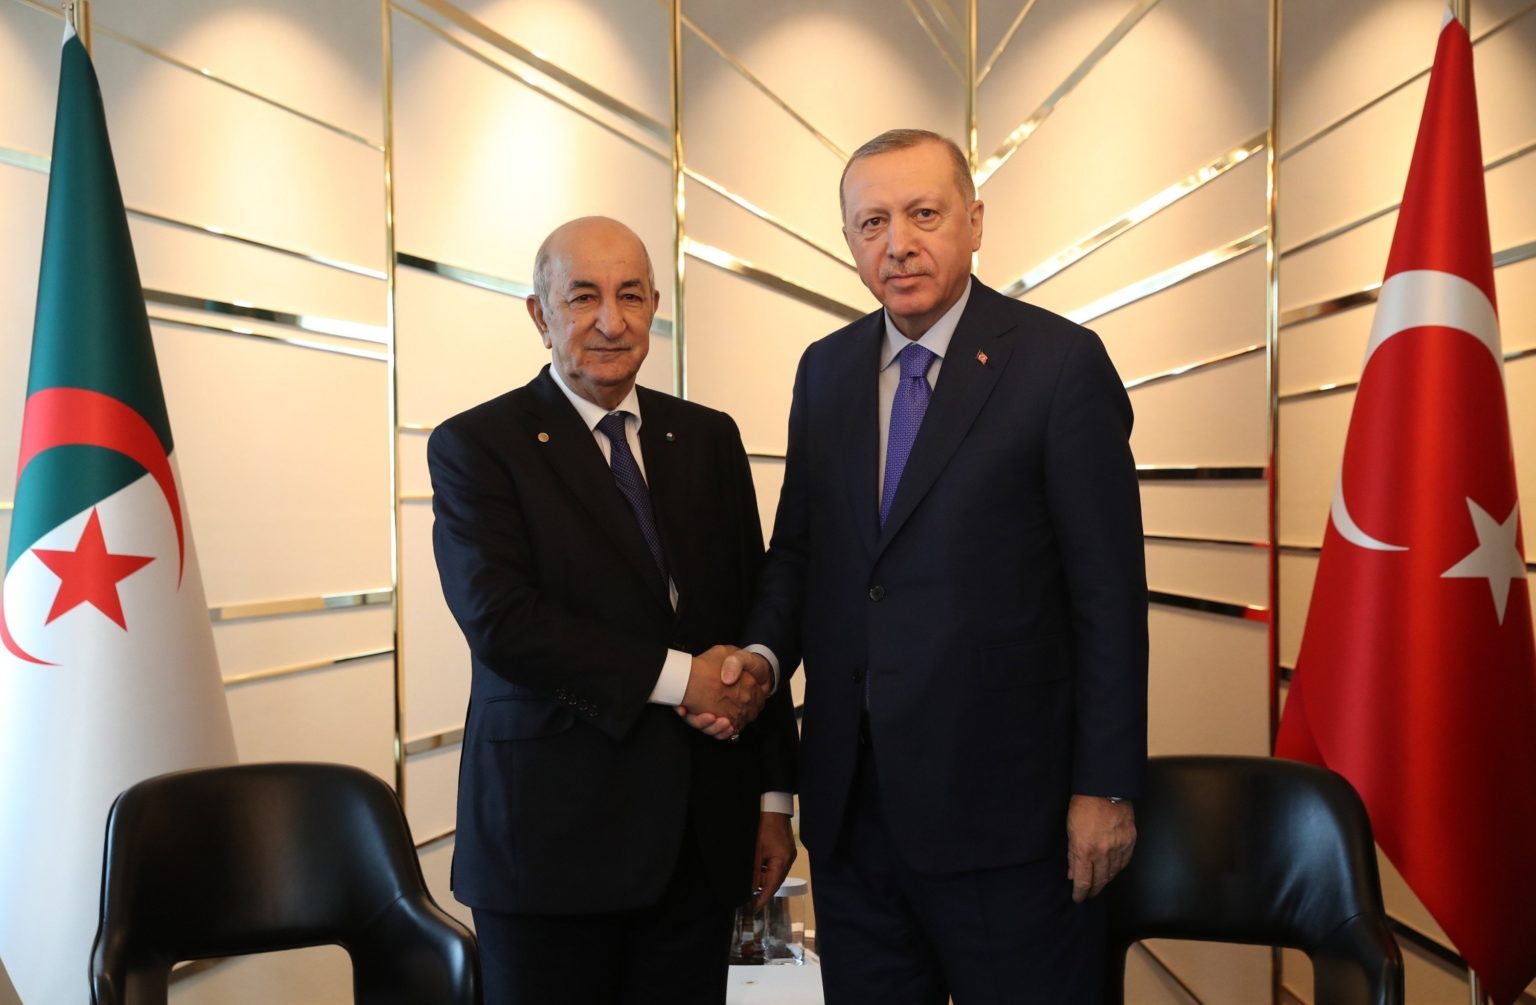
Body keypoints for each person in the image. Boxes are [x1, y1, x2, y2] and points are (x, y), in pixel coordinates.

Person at [728, 129, 1148, 1003]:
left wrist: (1106, 788)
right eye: (872, 222)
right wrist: (761, 660)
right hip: (855, 819)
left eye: (924, 214)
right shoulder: (826, 371)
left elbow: (1107, 597)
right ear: (850, 239)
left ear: (974, 221)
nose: (898, 243)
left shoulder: (1060, 366)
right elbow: (801, 549)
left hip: (1012, 823)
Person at [428, 216, 798, 1005]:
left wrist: (773, 799)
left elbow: (753, 603)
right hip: (550, 850)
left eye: (631, 296)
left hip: (700, 844)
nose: (611, 320)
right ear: (540, 313)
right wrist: (684, 679)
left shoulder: (708, 437)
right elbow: (502, 621)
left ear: (655, 306)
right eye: (582, 297)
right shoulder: (478, 446)